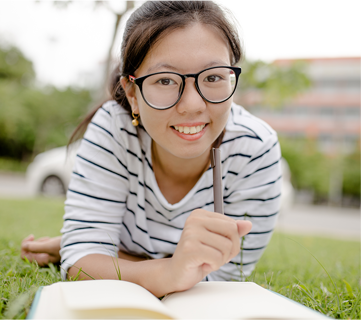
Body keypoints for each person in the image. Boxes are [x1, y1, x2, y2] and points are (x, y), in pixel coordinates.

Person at [21, 0, 282, 298]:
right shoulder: (114, 128)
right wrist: (168, 271)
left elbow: (224, 279)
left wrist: (111, 258)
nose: (193, 105)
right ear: (132, 93)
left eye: (212, 78)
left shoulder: (256, 149)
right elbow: (81, 262)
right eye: (166, 80)